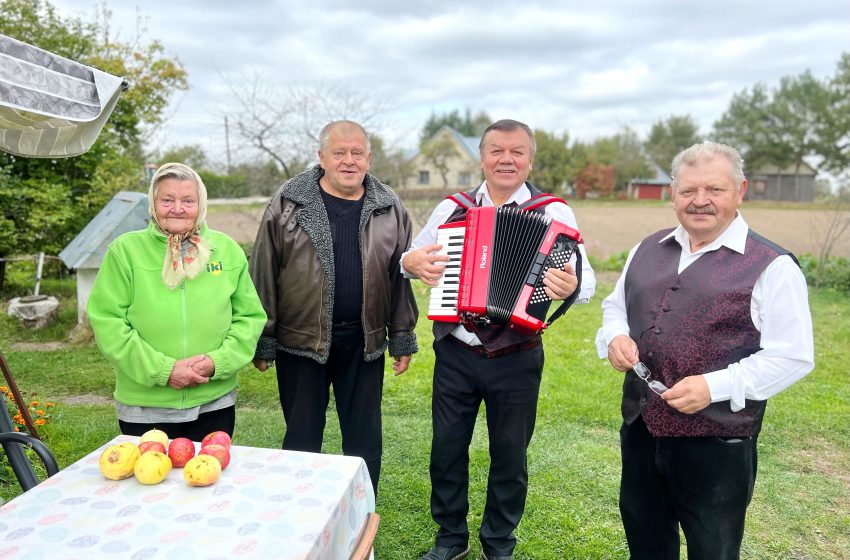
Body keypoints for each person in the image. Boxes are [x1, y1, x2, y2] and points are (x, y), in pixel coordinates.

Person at [596, 141, 815, 559]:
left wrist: (713, 387)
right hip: (642, 429)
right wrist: (616, 336)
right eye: (687, 191)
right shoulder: (647, 247)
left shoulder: (773, 266)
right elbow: (615, 307)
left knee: (712, 549)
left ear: (740, 190)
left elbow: (792, 356)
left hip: (717, 444)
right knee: (646, 541)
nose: (700, 201)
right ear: (673, 193)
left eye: (714, 189)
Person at [403, 119, 597, 560]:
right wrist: (414, 262)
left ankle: (498, 543)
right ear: (483, 157)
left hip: (517, 355)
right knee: (447, 449)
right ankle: (451, 538)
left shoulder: (554, 212)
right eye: (496, 151)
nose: (506, 159)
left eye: (516, 152)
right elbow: (409, 258)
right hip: (456, 350)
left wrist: (570, 287)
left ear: (530, 159)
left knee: (510, 456)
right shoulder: (451, 207)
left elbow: (586, 282)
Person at [249, 120, 418, 496]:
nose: (348, 160)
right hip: (300, 343)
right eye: (339, 152)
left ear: (369, 158)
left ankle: (360, 513)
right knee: (302, 437)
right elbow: (263, 270)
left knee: (364, 441)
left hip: (364, 341)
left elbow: (401, 273)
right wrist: (263, 338)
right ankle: (298, 514)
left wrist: (402, 336)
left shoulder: (389, 206)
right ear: (321, 156)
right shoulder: (289, 201)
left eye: (357, 152)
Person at [88, 162, 266, 442]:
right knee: (150, 482)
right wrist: (164, 371)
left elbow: (249, 318)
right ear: (153, 203)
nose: (178, 208)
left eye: (188, 200)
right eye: (167, 200)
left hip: (214, 401)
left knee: (207, 479)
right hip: (145, 407)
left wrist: (217, 362)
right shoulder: (125, 251)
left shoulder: (226, 250)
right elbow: (108, 322)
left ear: (201, 203)